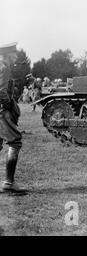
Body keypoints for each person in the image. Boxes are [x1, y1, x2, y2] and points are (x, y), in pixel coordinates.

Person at [0, 42, 25, 193]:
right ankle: (9, 183)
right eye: (14, 54)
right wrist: (8, 105)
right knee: (15, 142)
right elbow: (1, 91)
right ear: (8, 54)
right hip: (2, 111)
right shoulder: (4, 68)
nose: (16, 57)